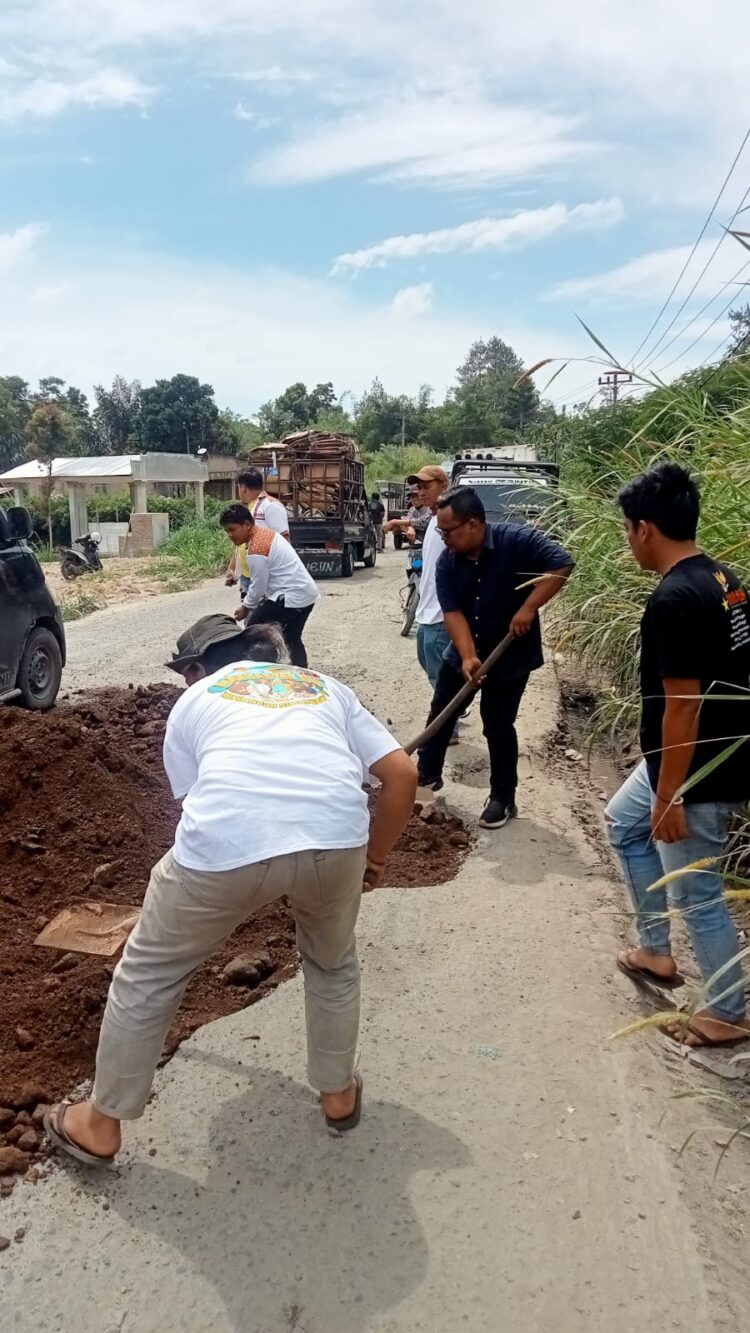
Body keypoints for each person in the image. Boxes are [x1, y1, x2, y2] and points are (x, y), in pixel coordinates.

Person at [43, 614, 417, 1165]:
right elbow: (402, 777)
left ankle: (100, 1125)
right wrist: (376, 859)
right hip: (336, 841)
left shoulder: (194, 701)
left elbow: (199, 801)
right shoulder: (324, 686)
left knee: (150, 971)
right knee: (333, 964)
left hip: (228, 847)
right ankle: (338, 1094)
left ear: (196, 668)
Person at [606, 462, 750, 1048]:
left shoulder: (673, 598)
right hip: (712, 752)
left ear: (644, 529)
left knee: (697, 887)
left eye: (627, 530)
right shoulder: (725, 578)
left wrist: (671, 794)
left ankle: (726, 1012)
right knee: (622, 822)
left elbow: (682, 707)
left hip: (699, 767)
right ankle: (655, 952)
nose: (628, 541)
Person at [417, 487, 574, 829]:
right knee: (442, 711)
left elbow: (562, 563)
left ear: (473, 524)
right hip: (464, 648)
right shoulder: (448, 561)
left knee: (497, 724)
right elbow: (453, 612)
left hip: (510, 652)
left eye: (448, 531)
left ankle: (503, 797)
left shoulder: (517, 540)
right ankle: (426, 779)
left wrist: (529, 607)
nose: (443, 538)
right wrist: (469, 658)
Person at [221, 503, 319, 668]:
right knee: (292, 636)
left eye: (232, 529)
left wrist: (245, 607)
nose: (230, 535)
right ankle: (301, 673)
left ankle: (260, 671)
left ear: (247, 525)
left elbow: (258, 586)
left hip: (291, 595)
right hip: (305, 593)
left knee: (255, 628)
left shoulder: (257, 549)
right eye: (227, 531)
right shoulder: (264, 534)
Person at [405, 465, 460, 747]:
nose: (421, 491)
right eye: (419, 487)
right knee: (430, 666)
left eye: (427, 486)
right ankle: (453, 712)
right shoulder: (432, 519)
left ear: (444, 485)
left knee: (439, 672)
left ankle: (448, 728)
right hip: (427, 610)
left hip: (441, 612)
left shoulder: (448, 522)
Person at [225, 468, 290, 594]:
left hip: (267, 578)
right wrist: (232, 568)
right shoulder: (247, 508)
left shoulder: (271, 506)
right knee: (249, 613)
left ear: (243, 487)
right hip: (247, 576)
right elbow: (241, 542)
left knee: (261, 613)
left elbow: (284, 541)